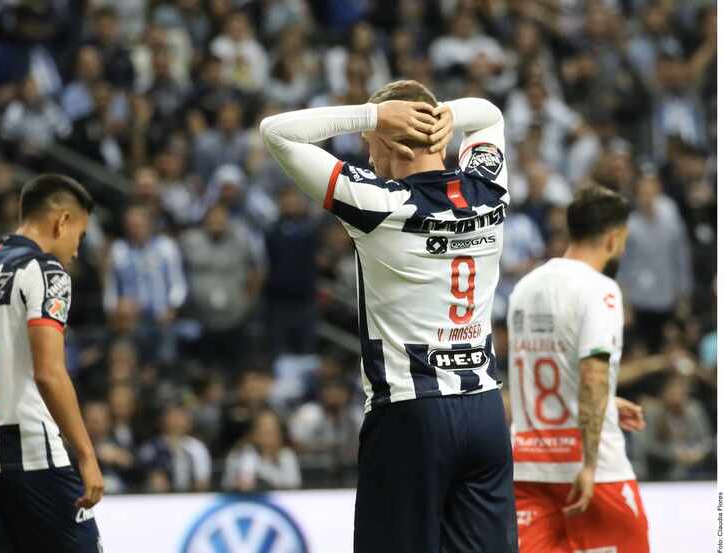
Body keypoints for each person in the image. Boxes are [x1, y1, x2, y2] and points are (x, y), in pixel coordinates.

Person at [261, 80, 517, 552]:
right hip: (485, 410)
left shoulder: (379, 204)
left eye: (369, 140)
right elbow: (490, 115)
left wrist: (372, 115)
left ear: (392, 136)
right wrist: (444, 115)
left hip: (410, 415)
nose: (365, 148)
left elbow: (277, 132)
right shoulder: (489, 190)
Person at [0, 174, 104, 552]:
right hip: (33, 455)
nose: (77, 250)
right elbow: (49, 372)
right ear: (61, 221)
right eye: (79, 235)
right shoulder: (46, 272)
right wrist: (87, 455)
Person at [507, 186, 650, 553]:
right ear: (613, 237)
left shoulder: (525, 289)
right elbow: (592, 374)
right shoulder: (600, 290)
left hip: (528, 469)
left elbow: (545, 370)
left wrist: (608, 401)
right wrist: (588, 464)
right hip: (592, 472)